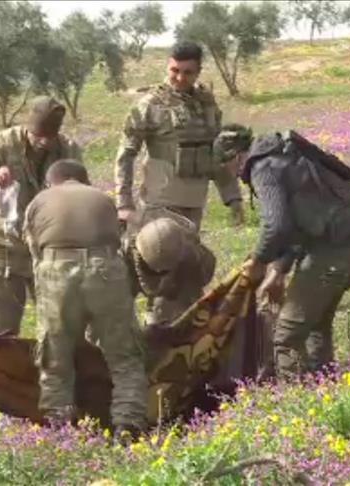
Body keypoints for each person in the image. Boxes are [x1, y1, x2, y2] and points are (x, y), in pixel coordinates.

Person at [114, 40, 244, 325]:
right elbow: (125, 155)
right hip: (157, 206)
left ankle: (172, 335)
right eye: (174, 70)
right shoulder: (149, 105)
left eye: (187, 72)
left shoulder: (207, 106)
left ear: (198, 72)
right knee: (154, 269)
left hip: (193, 208)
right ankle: (137, 332)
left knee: (185, 276)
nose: (179, 77)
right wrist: (123, 203)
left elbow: (217, 155)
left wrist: (232, 196)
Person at [24, 160, 147, 441]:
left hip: (56, 272)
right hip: (105, 270)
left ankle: (60, 429)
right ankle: (128, 425)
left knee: (56, 358)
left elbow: (33, 252)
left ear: (51, 182)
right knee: (125, 356)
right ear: (84, 180)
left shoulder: (39, 201)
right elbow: (120, 242)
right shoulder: (102, 199)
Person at [237, 131, 350, 380]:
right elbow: (301, 224)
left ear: (234, 159)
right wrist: (279, 269)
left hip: (329, 254)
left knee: (286, 337)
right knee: (317, 325)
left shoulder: (262, 167)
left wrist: (258, 261)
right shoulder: (291, 157)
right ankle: (325, 390)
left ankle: (300, 404)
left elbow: (276, 226)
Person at [0, 97, 83, 336]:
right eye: (39, 135)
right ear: (27, 127)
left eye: (50, 136)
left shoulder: (69, 150)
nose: (44, 142)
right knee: (0, 329)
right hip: (4, 249)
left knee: (59, 327)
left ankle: (51, 370)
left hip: (50, 250)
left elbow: (81, 191)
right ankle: (1, 371)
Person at [124, 214, 216, 326]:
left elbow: (203, 278)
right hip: (147, 280)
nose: (159, 272)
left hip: (180, 289)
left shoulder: (194, 257)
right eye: (156, 270)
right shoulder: (127, 256)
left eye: (163, 271)